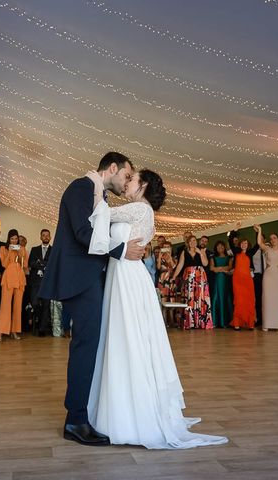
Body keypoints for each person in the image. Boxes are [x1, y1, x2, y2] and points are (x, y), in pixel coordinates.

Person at [86, 167, 228, 449]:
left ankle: (132, 415)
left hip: (128, 276)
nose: (127, 182)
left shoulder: (140, 209)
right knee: (125, 338)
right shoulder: (139, 210)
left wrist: (95, 184)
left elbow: (100, 216)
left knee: (129, 338)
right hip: (122, 274)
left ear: (144, 185)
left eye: (132, 178)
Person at [39, 152, 144, 447]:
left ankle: (83, 413)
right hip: (78, 278)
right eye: (125, 176)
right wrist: (121, 251)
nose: (126, 184)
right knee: (86, 346)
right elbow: (83, 233)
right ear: (112, 168)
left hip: (89, 277)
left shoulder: (97, 193)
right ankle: (75, 420)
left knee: (90, 346)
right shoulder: (80, 188)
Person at [172, 235, 212, 329]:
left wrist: (201, 253)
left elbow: (206, 263)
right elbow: (180, 265)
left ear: (196, 242)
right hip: (189, 277)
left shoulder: (201, 251)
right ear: (188, 243)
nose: (193, 242)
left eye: (194, 240)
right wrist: (174, 276)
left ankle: (201, 322)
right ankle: (190, 321)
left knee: (200, 298)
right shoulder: (184, 252)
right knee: (189, 298)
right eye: (190, 241)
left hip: (200, 277)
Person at [256, 226, 278, 332]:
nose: (272, 240)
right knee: (267, 299)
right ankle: (267, 323)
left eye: (274, 238)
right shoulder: (267, 249)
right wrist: (260, 230)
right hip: (268, 276)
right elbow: (259, 243)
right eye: (271, 238)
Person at [0, 229, 28, 342]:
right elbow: (4, 264)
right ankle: (1, 331)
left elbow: (24, 264)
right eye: (12, 239)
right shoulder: (3, 249)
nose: (14, 241)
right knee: (5, 305)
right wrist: (10, 251)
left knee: (17, 306)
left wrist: (20, 252)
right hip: (8, 277)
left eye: (16, 239)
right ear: (9, 239)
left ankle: (14, 331)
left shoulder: (22, 249)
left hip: (19, 277)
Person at [230, 236, 259, 331]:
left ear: (248, 245)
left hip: (247, 280)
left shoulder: (250, 253)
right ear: (239, 244)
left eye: (245, 243)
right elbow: (230, 241)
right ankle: (237, 323)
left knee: (249, 301)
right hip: (237, 280)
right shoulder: (236, 252)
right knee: (239, 301)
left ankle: (250, 323)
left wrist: (258, 231)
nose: (244, 245)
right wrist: (234, 230)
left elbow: (258, 244)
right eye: (242, 243)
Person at [28, 229, 53, 337]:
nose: (46, 237)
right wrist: (43, 265)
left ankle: (42, 329)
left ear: (50, 237)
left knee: (46, 305)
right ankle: (38, 318)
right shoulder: (34, 249)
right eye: (44, 235)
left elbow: (53, 264)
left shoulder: (54, 250)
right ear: (40, 237)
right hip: (35, 282)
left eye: (47, 235)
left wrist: (40, 263)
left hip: (48, 282)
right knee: (34, 303)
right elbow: (31, 263)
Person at [210, 240, 233, 328]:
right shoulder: (213, 257)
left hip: (226, 279)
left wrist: (219, 269)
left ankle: (226, 321)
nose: (220, 248)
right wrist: (222, 269)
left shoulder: (229, 257)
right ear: (216, 248)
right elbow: (211, 267)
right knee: (217, 296)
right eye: (218, 246)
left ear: (224, 247)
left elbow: (230, 267)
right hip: (217, 280)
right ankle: (216, 321)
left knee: (226, 297)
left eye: (222, 246)